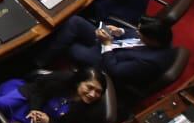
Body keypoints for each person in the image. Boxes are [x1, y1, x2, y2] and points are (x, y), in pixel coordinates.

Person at [37, 17, 176, 95]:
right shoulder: (159, 36)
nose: (137, 32)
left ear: (153, 40)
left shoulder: (150, 62)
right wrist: (119, 31)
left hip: (107, 62)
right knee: (75, 22)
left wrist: (107, 44)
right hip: (112, 44)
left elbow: (115, 70)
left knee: (72, 47)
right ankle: (43, 58)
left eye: (141, 33)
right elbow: (133, 34)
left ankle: (38, 62)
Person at [0, 69, 104, 123]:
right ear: (79, 82)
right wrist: (35, 108)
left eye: (98, 92)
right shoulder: (63, 79)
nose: (92, 94)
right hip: (32, 98)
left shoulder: (91, 111)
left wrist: (49, 122)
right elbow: (39, 90)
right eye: (89, 87)